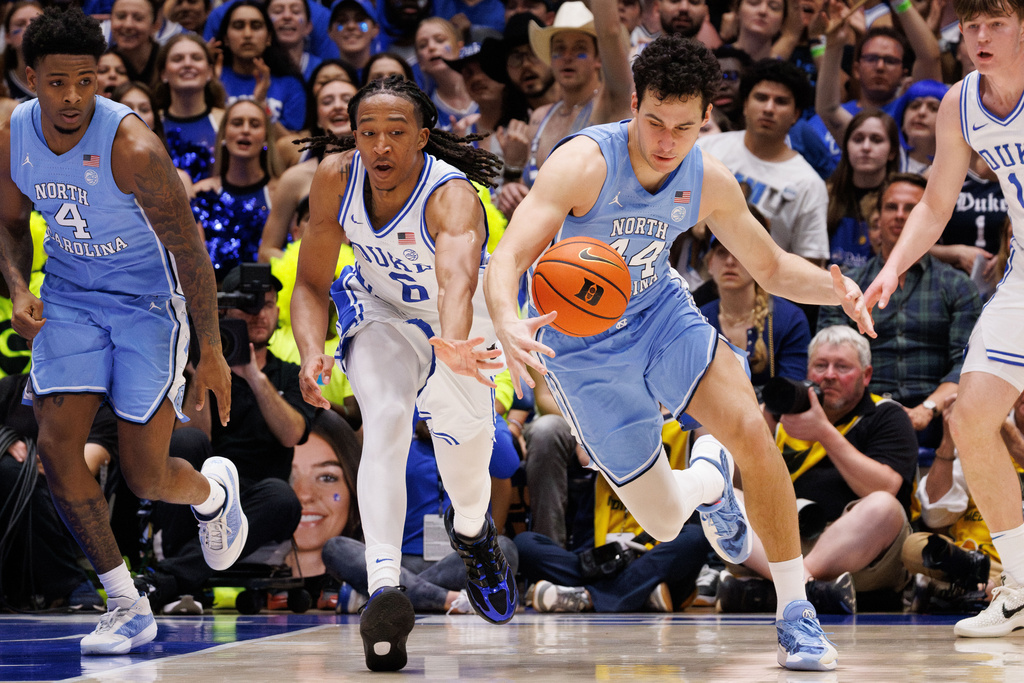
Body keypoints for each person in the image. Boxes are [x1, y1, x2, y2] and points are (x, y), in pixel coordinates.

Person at [484, 34, 875, 672]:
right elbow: (509, 255)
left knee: (752, 429)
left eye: (684, 127)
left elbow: (772, 266)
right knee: (664, 520)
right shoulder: (584, 163)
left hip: (660, 314)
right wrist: (506, 317)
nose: (667, 141)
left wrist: (836, 288)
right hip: (581, 347)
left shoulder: (707, 177)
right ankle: (709, 484)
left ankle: (795, 612)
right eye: (655, 121)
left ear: (706, 121)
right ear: (635, 103)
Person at [0, 7, 241, 655]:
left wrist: (212, 352)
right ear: (29, 78)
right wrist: (20, 287)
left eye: (87, 80)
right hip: (71, 298)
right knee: (56, 449)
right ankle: (127, 602)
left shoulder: (132, 148)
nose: (73, 95)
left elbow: (191, 252)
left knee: (143, 474)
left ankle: (213, 492)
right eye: (57, 82)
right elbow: (9, 222)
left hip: (146, 305)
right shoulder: (10, 134)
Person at [291, 76, 515, 672]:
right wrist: (313, 350)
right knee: (385, 415)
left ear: (422, 137)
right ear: (354, 137)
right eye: (369, 133)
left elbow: (457, 282)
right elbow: (311, 283)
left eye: (395, 133)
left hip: (457, 324)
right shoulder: (336, 178)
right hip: (381, 309)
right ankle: (385, 586)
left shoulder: (453, 196)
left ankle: (472, 536)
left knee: (468, 473)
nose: (382, 147)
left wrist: (454, 342)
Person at [862, 0, 1024, 639]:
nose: (980, 38)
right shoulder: (961, 102)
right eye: (972, 27)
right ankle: (1020, 584)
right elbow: (934, 204)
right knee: (973, 418)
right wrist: (894, 267)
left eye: (998, 25)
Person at [140, 265, 312, 615]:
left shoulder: (290, 374)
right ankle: (178, 578)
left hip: (258, 497)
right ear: (225, 313)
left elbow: (292, 433)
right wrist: (202, 372)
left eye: (267, 304)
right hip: (203, 489)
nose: (259, 314)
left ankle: (166, 579)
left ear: (278, 310)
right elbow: (193, 437)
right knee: (184, 444)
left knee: (283, 498)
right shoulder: (202, 368)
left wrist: (252, 373)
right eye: (248, 307)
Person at [723, 325, 918, 613]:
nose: (829, 375)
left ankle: (787, 586)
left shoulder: (887, 415)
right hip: (780, 544)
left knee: (884, 507)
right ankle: (806, 585)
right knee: (723, 496)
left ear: (866, 375)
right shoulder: (781, 414)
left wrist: (824, 432)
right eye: (820, 366)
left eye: (842, 367)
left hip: (858, 550)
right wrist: (759, 427)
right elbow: (739, 481)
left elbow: (883, 487)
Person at [820, 173, 982, 446]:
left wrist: (927, 409)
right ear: (878, 218)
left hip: (936, 415)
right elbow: (828, 356)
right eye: (891, 207)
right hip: (861, 413)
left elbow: (966, 364)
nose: (899, 215)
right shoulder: (845, 285)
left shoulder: (958, 286)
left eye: (911, 209)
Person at [699, 58, 829, 264]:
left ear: (795, 115)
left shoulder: (809, 185)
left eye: (781, 101)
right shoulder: (707, 149)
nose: (769, 108)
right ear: (745, 105)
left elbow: (811, 263)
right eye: (761, 98)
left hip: (760, 292)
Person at [191, 98, 283, 277]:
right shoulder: (202, 193)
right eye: (237, 123)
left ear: (265, 137)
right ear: (224, 134)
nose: (245, 130)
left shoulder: (280, 194)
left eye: (255, 124)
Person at [827, 110, 900, 271]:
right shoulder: (826, 196)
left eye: (876, 140)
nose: (866, 147)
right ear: (846, 147)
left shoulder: (901, 202)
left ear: (892, 152)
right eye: (858, 140)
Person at [3, 2, 44, 103]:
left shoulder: (66, 75)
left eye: (36, 23)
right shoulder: (3, 83)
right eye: (20, 24)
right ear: (8, 37)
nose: (29, 28)